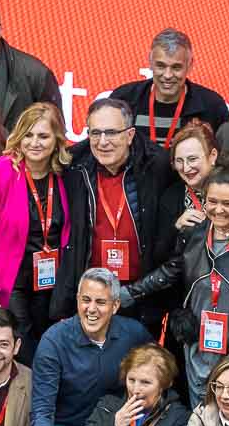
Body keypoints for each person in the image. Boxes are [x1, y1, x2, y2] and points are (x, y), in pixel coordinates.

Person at [125, 167, 229, 406]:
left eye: (227, 203)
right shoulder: (194, 232)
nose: (218, 209)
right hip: (203, 346)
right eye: (212, 201)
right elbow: (171, 271)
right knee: (203, 414)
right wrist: (129, 293)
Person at [0, 100, 78, 354]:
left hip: (53, 285)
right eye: (28, 135)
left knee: (51, 351)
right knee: (24, 352)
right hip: (10, 284)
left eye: (43, 136)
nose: (35, 143)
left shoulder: (66, 175)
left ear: (57, 139)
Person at [30, 270, 152, 426]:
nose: (91, 309)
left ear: (115, 306)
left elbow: (158, 374)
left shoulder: (133, 333)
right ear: (77, 300)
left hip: (115, 424)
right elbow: (41, 411)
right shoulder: (54, 341)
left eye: (101, 302)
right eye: (85, 300)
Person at [64, 96, 175, 324]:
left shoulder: (158, 167)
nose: (103, 142)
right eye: (95, 133)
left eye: (112, 133)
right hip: (90, 296)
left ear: (130, 135)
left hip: (139, 295)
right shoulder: (73, 165)